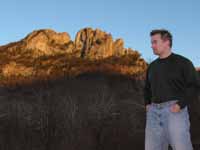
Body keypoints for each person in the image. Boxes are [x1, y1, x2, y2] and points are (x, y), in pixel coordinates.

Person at [144, 29, 199, 150]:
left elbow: (194, 86)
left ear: (166, 42)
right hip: (153, 113)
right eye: (151, 42)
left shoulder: (183, 63)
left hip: (174, 112)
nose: (151, 45)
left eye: (155, 42)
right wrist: (147, 104)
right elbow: (147, 88)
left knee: (182, 147)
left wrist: (180, 105)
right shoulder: (152, 67)